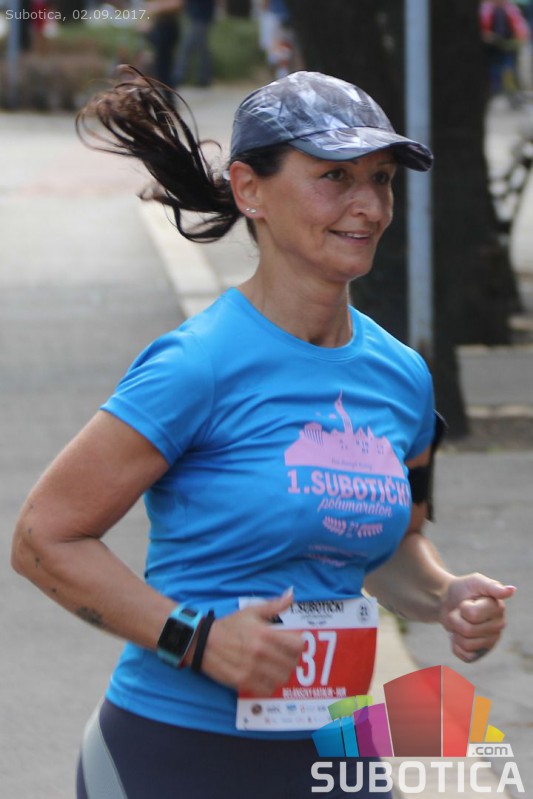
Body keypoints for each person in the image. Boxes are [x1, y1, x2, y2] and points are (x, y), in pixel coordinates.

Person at [11, 69, 516, 799]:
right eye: (334, 177)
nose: (369, 206)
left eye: (380, 179)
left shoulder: (402, 377)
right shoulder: (198, 365)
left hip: (335, 751)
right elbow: (43, 538)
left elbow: (390, 547)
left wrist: (444, 595)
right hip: (174, 757)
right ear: (250, 190)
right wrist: (198, 638)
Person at [480, 0, 530, 99]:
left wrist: (520, 38)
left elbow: (519, 26)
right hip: (492, 45)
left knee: (509, 68)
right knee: (494, 68)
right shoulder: (486, 9)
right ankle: (495, 90)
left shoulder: (511, 9)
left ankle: (511, 92)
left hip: (508, 44)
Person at [174, 0, 216, 87]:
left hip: (200, 18)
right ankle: (204, 78)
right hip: (199, 18)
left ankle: (178, 76)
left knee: (187, 48)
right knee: (202, 49)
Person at [144, 0, 183, 89]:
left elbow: (176, 4)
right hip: (159, 26)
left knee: (164, 67)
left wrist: (155, 7)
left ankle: (168, 95)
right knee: (159, 67)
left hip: (168, 27)